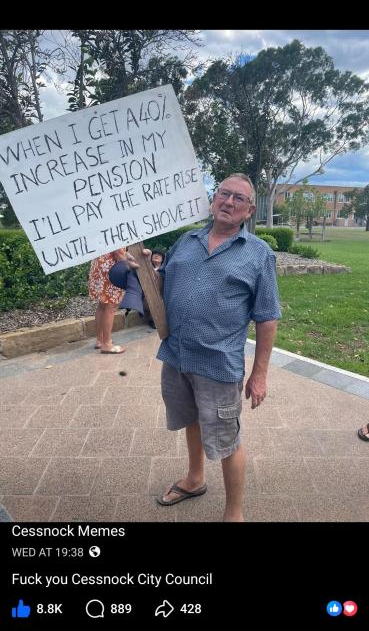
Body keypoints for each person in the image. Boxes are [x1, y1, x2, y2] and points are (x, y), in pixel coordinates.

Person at [126, 173, 281, 522]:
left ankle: (234, 513)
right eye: (223, 194)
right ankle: (195, 478)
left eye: (238, 198)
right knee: (191, 420)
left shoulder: (258, 254)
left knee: (227, 440)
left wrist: (259, 375)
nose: (228, 202)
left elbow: (268, 318)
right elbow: (165, 288)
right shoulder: (187, 240)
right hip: (177, 355)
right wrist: (147, 270)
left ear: (249, 210)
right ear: (213, 199)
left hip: (218, 364)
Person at [88, 248, 127, 353]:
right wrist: (128, 267)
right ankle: (107, 344)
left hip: (99, 265)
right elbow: (119, 252)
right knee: (110, 306)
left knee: (102, 305)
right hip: (111, 270)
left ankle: (100, 340)